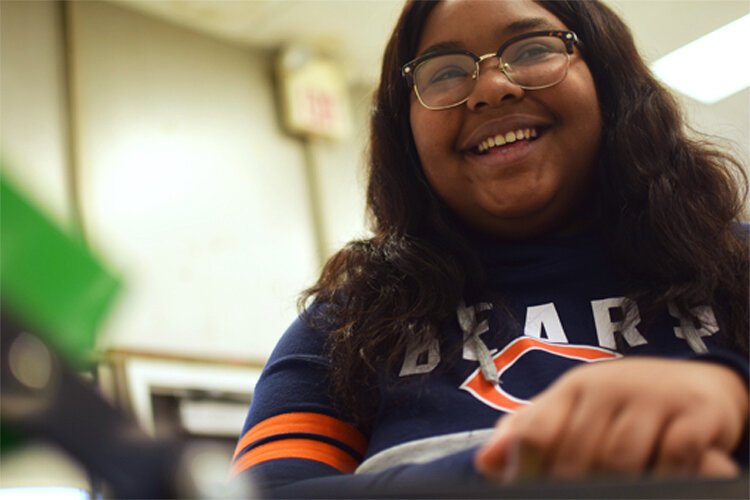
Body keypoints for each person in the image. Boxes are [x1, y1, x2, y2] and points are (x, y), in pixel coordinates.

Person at [231, 0, 749, 496]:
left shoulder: (736, 266)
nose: (491, 88)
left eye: (531, 49)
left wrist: (736, 399)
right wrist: (520, 471)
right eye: (444, 71)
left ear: (608, 82)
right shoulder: (348, 324)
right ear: (405, 133)